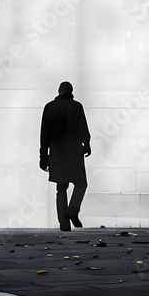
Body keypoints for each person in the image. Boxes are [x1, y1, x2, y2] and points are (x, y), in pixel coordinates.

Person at [39, 81, 91, 232]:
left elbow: (44, 135)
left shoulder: (49, 107)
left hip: (56, 151)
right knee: (81, 183)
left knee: (61, 188)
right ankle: (73, 209)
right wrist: (87, 144)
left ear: (59, 91)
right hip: (74, 149)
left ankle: (64, 223)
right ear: (71, 91)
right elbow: (82, 128)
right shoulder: (77, 107)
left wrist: (43, 157)